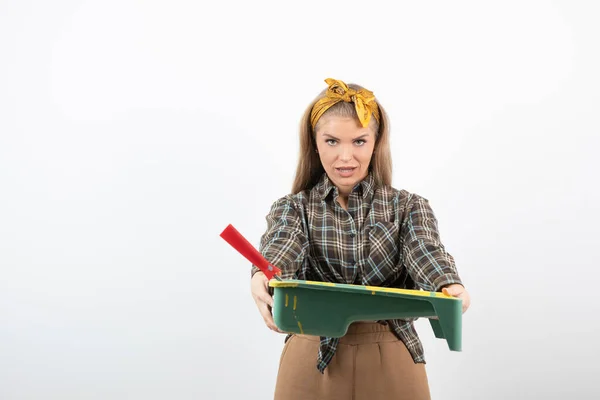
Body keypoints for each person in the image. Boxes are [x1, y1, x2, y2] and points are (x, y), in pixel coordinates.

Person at [250, 78, 471, 400]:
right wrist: (263, 273)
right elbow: (283, 244)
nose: (344, 157)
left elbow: (425, 250)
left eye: (358, 141)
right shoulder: (293, 208)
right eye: (331, 141)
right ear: (314, 143)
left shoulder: (408, 207)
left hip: (391, 354)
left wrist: (449, 285)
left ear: (376, 142)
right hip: (311, 355)